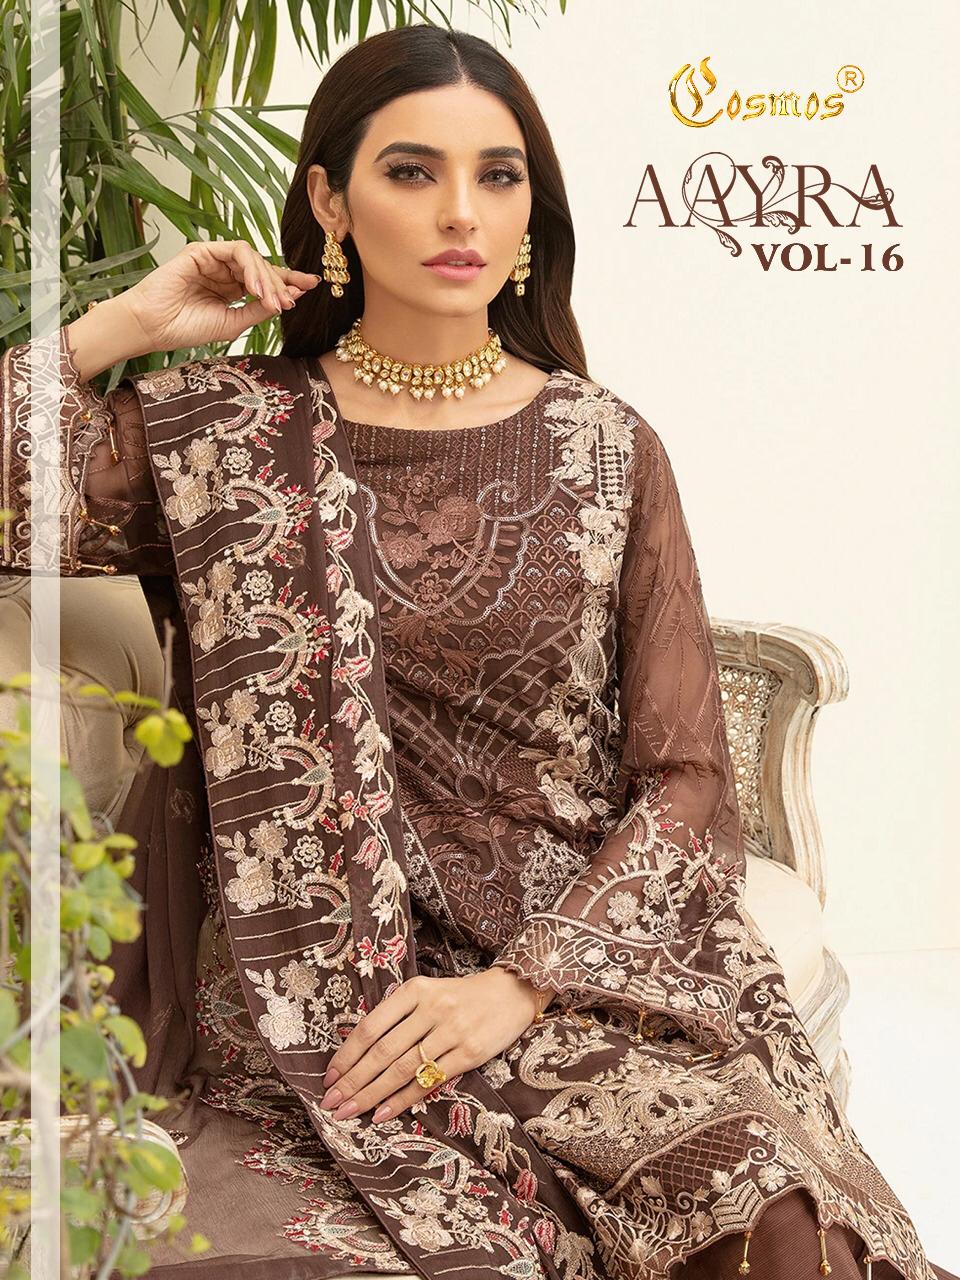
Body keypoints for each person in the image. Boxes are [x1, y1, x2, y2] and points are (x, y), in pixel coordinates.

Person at [1, 24, 953, 1280]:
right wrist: (124, 322)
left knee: (778, 1225)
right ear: (330, 201)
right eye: (411, 171)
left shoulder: (606, 444)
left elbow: (685, 776)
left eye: (498, 176)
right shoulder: (226, 432)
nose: (462, 212)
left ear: (530, 209)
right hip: (321, 995)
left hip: (581, 975)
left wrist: (523, 983)